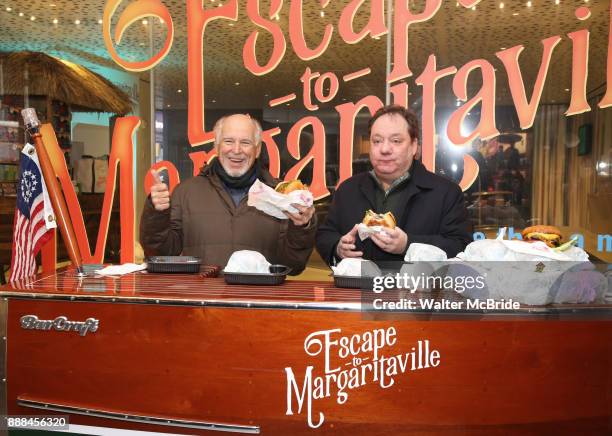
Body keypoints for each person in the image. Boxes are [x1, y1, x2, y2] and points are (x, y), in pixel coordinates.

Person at [140, 113, 316, 274]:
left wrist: (301, 228)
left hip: (259, 303)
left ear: (258, 149)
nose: (237, 150)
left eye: (245, 142)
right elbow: (161, 252)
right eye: (228, 141)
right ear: (217, 146)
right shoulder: (186, 192)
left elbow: (293, 266)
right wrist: (157, 213)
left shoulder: (281, 197)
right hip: (203, 305)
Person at [316, 105, 471, 264]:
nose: (384, 149)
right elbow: (326, 234)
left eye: (396, 141)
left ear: (413, 146)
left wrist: (408, 244)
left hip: (417, 287)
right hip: (356, 287)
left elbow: (460, 246)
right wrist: (338, 247)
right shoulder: (348, 190)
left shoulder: (446, 193)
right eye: (377, 141)